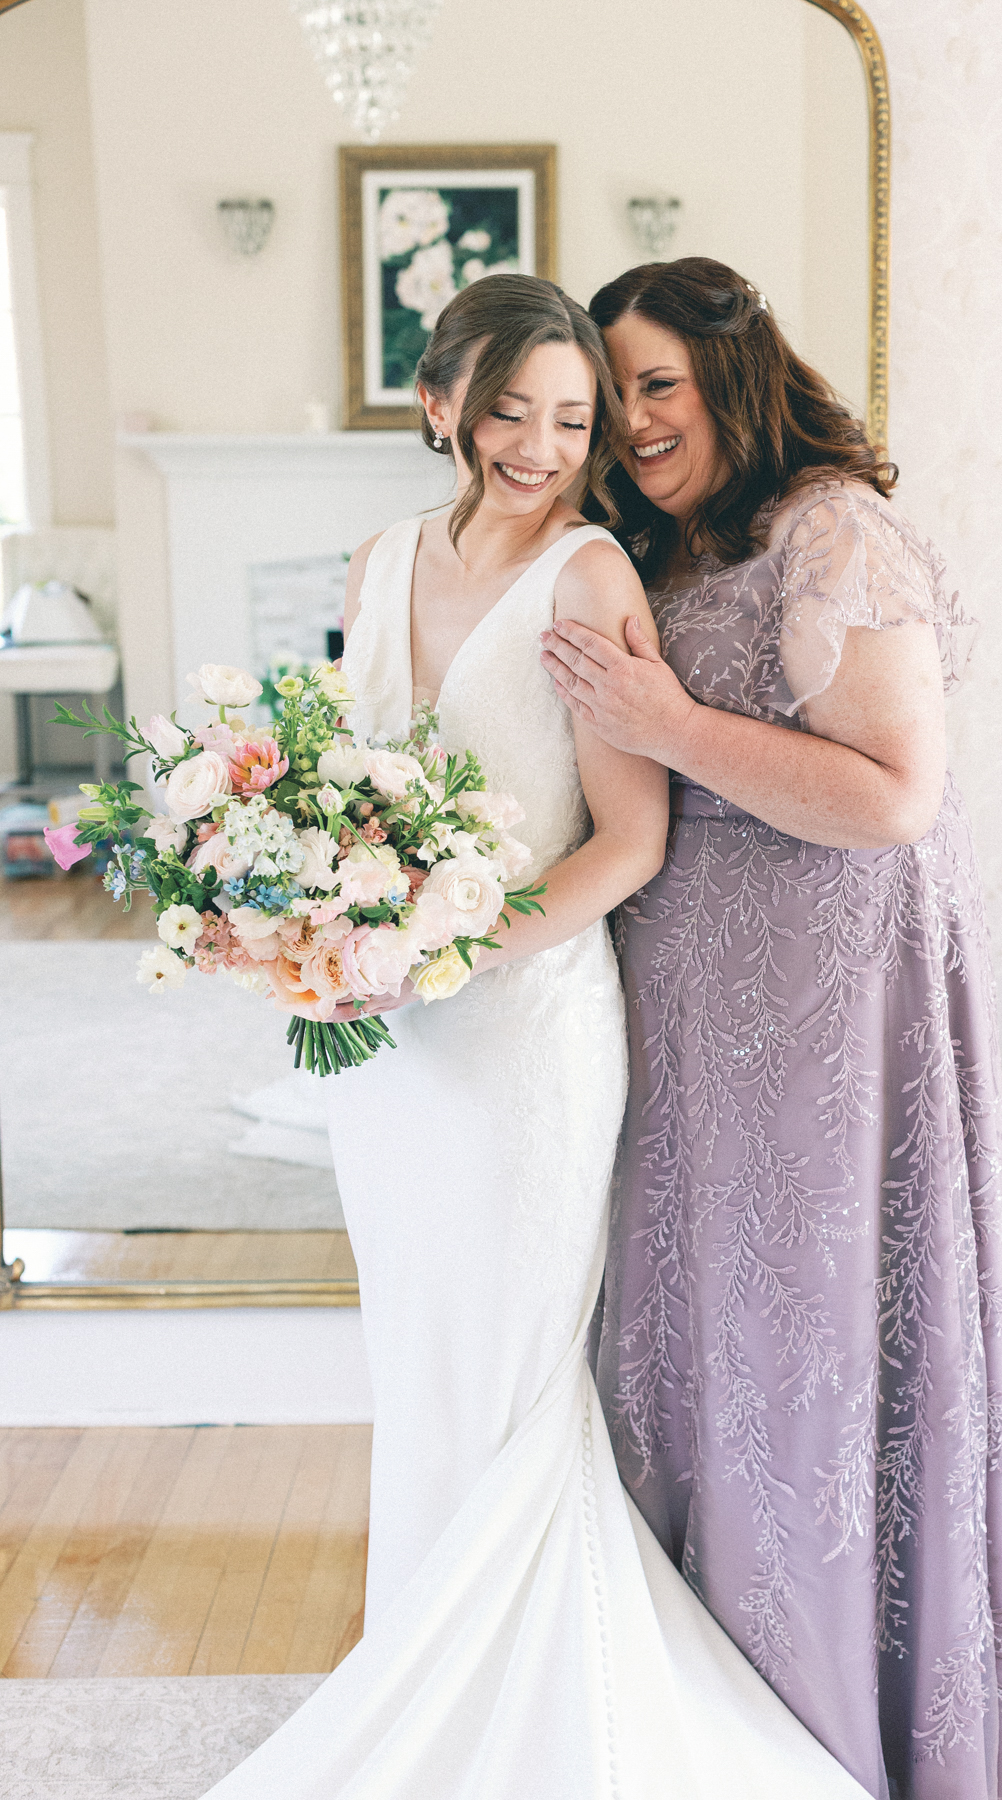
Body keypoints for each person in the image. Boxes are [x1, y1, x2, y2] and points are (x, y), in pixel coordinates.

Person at [203, 274, 869, 1798]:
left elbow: (627, 843)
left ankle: (523, 1740)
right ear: (439, 403)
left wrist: (442, 956)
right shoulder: (375, 563)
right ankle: (424, 1693)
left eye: (574, 420)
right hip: (386, 1058)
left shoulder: (586, 579)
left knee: (506, 1382)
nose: (545, 446)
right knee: (423, 1373)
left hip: (522, 1042)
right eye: (513, 411)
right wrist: (286, 915)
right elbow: (338, 790)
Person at [540, 257, 1002, 1800]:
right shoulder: (683, 549)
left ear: (732, 374)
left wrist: (666, 727)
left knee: (801, 1369)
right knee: (700, 1360)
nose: (631, 423)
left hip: (826, 1047)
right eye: (613, 397)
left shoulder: (836, 531)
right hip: (699, 1041)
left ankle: (819, 1745)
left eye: (655, 385)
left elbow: (895, 797)